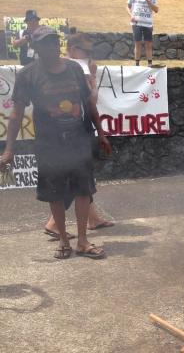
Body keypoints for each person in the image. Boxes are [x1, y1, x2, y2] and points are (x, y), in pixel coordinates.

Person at [0, 26, 112, 259]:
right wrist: (9, 150)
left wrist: (100, 132)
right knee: (55, 193)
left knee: (83, 190)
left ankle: (82, 240)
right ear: (36, 47)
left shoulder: (73, 69)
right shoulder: (27, 75)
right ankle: (63, 239)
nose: (50, 47)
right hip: (49, 143)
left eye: (53, 42)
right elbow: (16, 115)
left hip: (78, 139)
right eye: (44, 44)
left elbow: (89, 104)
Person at [44, 33, 115, 237]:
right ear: (74, 49)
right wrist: (93, 76)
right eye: (87, 51)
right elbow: (91, 99)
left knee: (84, 176)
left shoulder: (62, 66)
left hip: (62, 129)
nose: (90, 56)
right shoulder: (79, 66)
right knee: (79, 177)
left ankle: (92, 218)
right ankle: (53, 223)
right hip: (78, 129)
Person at [127, 0, 159, 66]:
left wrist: (148, 1)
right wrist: (131, 15)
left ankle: (150, 63)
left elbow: (156, 10)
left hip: (148, 24)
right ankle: (137, 64)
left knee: (148, 44)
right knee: (137, 43)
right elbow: (127, 7)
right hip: (136, 23)